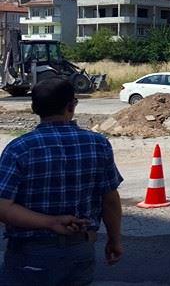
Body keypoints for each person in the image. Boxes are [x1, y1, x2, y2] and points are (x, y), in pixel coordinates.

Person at [0, 77, 124, 284]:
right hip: (80, 250)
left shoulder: (19, 148)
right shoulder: (99, 144)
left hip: (30, 255)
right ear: (71, 106)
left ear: (34, 108)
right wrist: (115, 240)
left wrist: (50, 222)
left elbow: (3, 207)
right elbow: (110, 200)